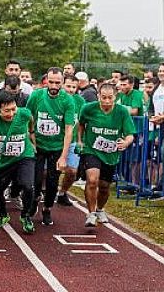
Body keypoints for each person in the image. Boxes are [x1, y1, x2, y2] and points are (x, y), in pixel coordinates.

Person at [77, 83, 135, 226]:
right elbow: (81, 124)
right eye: (103, 98)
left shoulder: (122, 112)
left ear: (116, 97)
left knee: (104, 187)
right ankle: (90, 214)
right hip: (92, 150)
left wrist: (126, 143)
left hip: (110, 154)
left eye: (110, 98)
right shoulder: (88, 108)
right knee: (92, 180)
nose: (107, 101)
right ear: (98, 96)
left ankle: (100, 209)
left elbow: (130, 134)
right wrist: (80, 141)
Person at [26, 67, 75, 226]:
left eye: (57, 83)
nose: (54, 86)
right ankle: (34, 198)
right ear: (46, 81)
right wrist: (30, 138)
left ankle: (47, 209)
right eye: (51, 82)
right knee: (36, 178)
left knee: (53, 182)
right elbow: (27, 117)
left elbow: (69, 130)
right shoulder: (36, 95)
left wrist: (63, 156)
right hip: (38, 145)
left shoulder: (67, 100)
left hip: (56, 146)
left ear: (62, 82)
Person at [0, 90, 36, 233]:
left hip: (24, 156)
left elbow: (31, 120)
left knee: (28, 186)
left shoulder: (24, 113)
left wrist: (31, 134)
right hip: (3, 161)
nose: (11, 114)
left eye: (14, 109)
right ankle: (3, 214)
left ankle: (25, 216)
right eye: (7, 111)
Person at [56, 74, 85, 206]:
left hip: (72, 140)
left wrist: (79, 140)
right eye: (68, 86)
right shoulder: (56, 98)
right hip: (55, 141)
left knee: (72, 171)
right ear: (62, 85)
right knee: (47, 171)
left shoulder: (80, 101)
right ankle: (43, 191)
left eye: (74, 87)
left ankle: (62, 193)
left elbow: (81, 123)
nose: (71, 89)